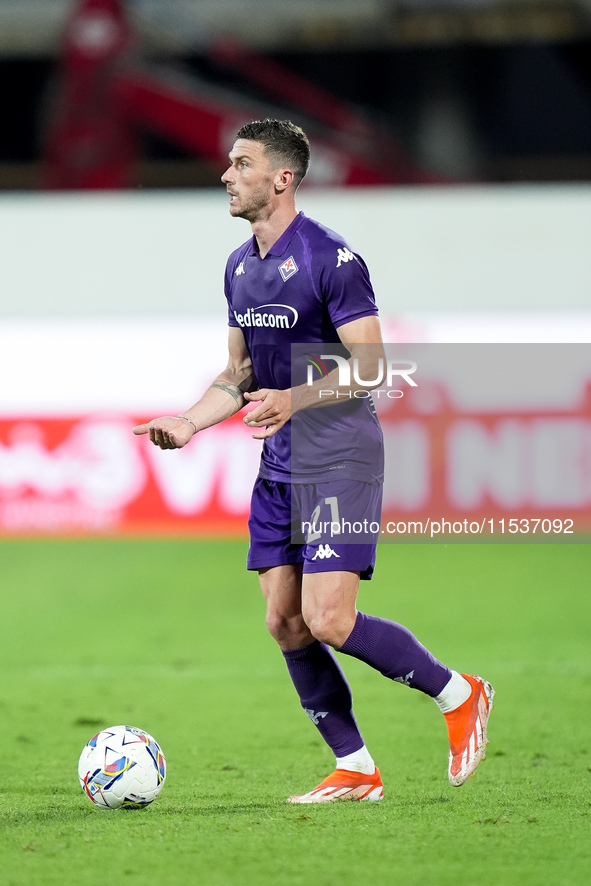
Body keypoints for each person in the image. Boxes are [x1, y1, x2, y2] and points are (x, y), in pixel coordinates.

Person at [133, 119, 494, 803]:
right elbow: (238, 374)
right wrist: (188, 422)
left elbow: (372, 367)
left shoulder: (332, 259)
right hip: (280, 465)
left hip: (338, 456)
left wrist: (295, 398)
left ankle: (459, 692)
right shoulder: (239, 266)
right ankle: (355, 767)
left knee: (329, 618)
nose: (225, 176)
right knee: (283, 620)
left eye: (240, 165)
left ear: (281, 178)